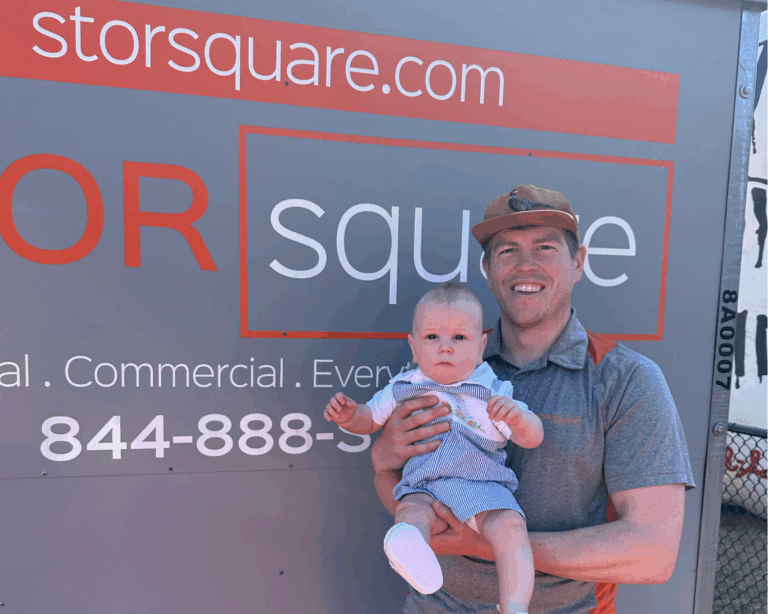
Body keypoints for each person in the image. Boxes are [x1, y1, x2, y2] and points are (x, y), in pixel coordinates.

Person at [371, 185, 696, 614]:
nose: (526, 265)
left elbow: (652, 553)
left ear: (578, 264)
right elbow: (402, 489)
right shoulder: (442, 367)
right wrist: (381, 459)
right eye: (507, 251)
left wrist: (496, 545)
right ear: (488, 270)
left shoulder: (625, 379)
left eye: (545, 248)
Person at [325, 282, 544, 614]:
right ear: (413, 348)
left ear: (481, 345)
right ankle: (407, 547)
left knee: (511, 528)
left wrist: (519, 420)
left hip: (481, 486)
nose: (445, 348)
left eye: (459, 338)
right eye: (432, 338)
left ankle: (514, 606)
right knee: (410, 513)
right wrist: (350, 415)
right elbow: (368, 420)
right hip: (425, 484)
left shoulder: (492, 391)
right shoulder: (403, 388)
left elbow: (532, 438)